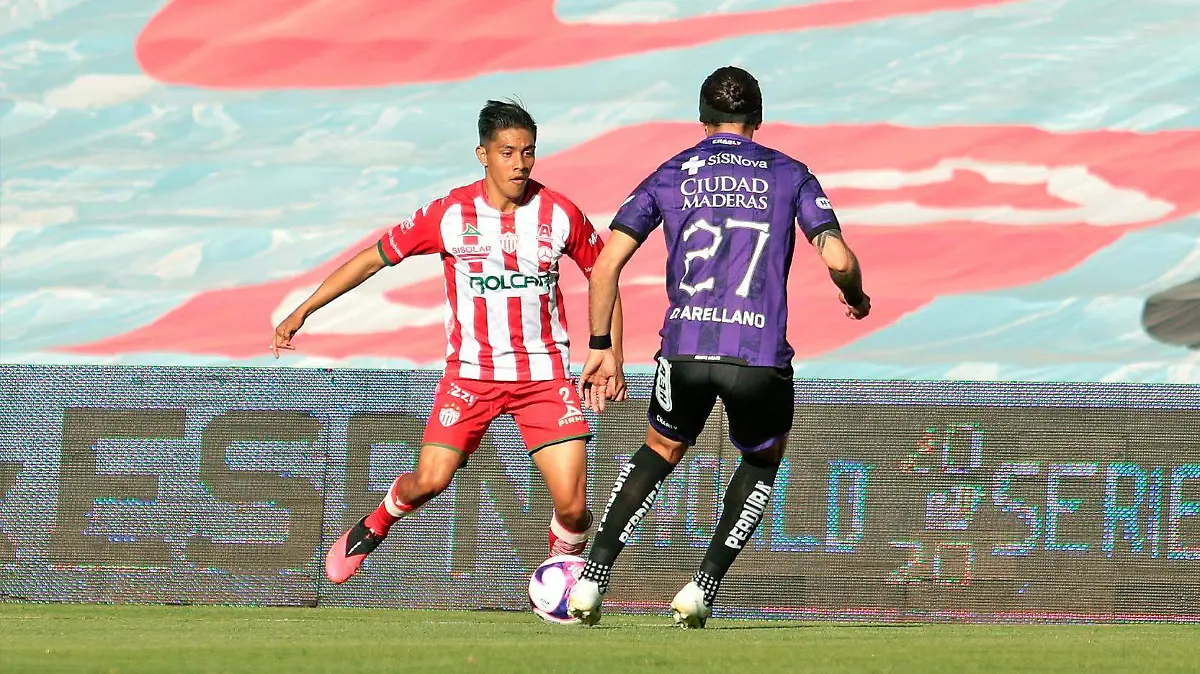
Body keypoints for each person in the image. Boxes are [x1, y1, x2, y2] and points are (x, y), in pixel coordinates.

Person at [270, 99, 627, 585]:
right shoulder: (449, 214)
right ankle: (374, 524)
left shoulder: (559, 212)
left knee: (574, 505)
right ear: (482, 154)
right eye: (507, 152)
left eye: (528, 152)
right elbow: (372, 259)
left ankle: (555, 579)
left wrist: (610, 353)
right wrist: (303, 310)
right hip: (471, 376)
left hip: (543, 376)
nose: (520, 164)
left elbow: (603, 273)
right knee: (431, 481)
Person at [566, 66, 870, 628]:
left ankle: (591, 579)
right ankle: (703, 586)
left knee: (658, 452)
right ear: (757, 118)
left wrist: (602, 345)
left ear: (702, 120)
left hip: (683, 349)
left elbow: (606, 263)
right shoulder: (791, 175)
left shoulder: (673, 172)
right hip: (757, 358)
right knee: (761, 459)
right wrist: (857, 296)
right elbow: (838, 259)